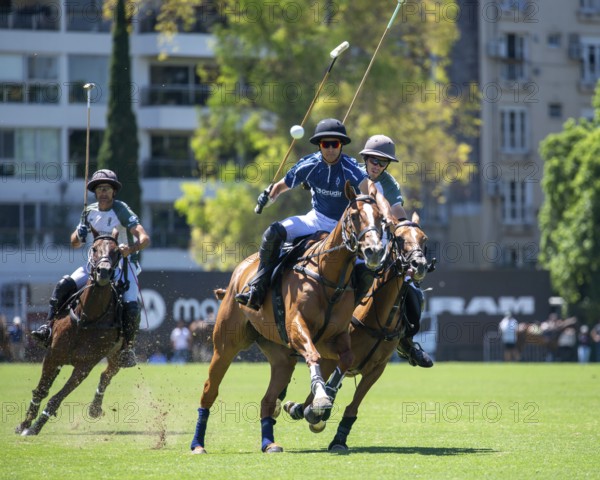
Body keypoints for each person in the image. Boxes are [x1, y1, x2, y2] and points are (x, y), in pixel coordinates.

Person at [235, 118, 371, 310]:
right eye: (326, 144)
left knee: (367, 268)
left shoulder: (352, 169)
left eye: (335, 144)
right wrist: (268, 195)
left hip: (343, 229)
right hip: (315, 220)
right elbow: (281, 186)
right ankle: (258, 287)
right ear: (319, 145)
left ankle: (354, 311)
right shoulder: (309, 164)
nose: (330, 149)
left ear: (341, 145)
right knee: (274, 232)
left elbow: (369, 190)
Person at [31, 169, 151, 368]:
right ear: (95, 192)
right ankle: (48, 328)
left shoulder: (121, 210)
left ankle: (127, 349)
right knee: (64, 284)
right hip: (95, 264)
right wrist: (79, 234)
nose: (103, 192)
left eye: (107, 189)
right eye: (99, 189)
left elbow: (145, 239)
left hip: (123, 264)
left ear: (113, 192)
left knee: (131, 306)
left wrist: (130, 249)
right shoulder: (89, 211)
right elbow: (74, 243)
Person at [357, 134, 433, 368]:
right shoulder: (353, 173)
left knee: (412, 290)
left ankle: (406, 342)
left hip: (380, 250)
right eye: (374, 161)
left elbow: (398, 212)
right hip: (352, 243)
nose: (378, 166)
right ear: (366, 159)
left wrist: (408, 229)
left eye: (383, 162)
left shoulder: (389, 184)